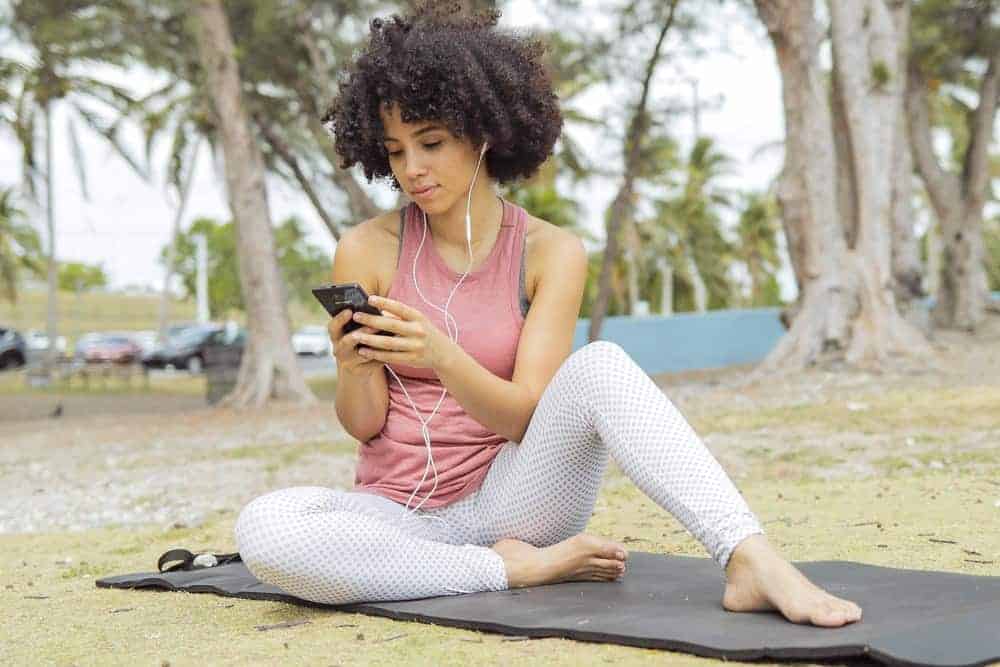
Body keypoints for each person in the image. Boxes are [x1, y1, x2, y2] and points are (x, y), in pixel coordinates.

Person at [234, 1, 862, 628]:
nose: (412, 170)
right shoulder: (366, 248)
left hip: (517, 498)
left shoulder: (550, 252)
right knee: (265, 528)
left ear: (485, 133)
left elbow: (525, 417)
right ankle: (509, 570)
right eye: (395, 151)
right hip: (397, 513)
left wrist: (440, 355)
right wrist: (353, 367)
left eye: (431, 143)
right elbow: (364, 425)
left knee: (600, 366)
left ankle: (748, 556)